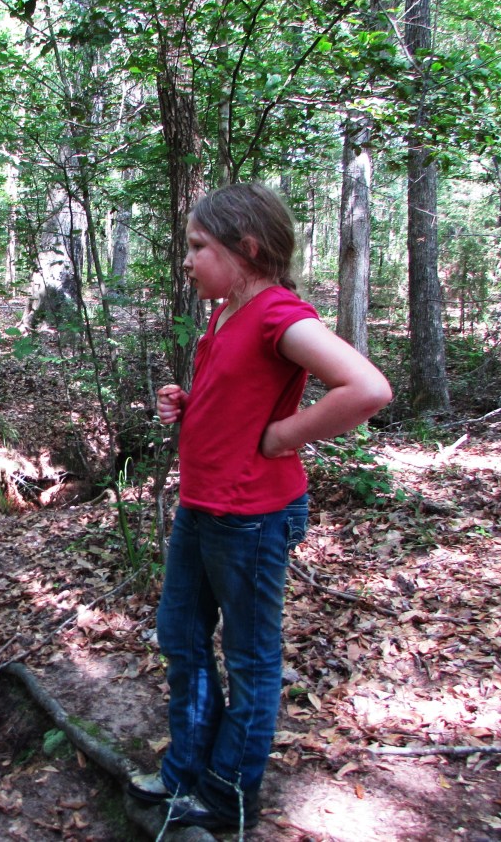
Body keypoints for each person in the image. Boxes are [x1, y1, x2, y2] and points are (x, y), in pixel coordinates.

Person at [129, 183, 392, 833]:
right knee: (180, 638)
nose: (187, 260)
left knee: (249, 660)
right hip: (203, 506)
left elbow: (367, 388)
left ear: (245, 249)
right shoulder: (225, 311)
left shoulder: (278, 313)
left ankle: (227, 797)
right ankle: (185, 772)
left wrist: (283, 436)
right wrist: (188, 404)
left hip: (249, 517)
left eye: (198, 246)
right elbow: (239, 394)